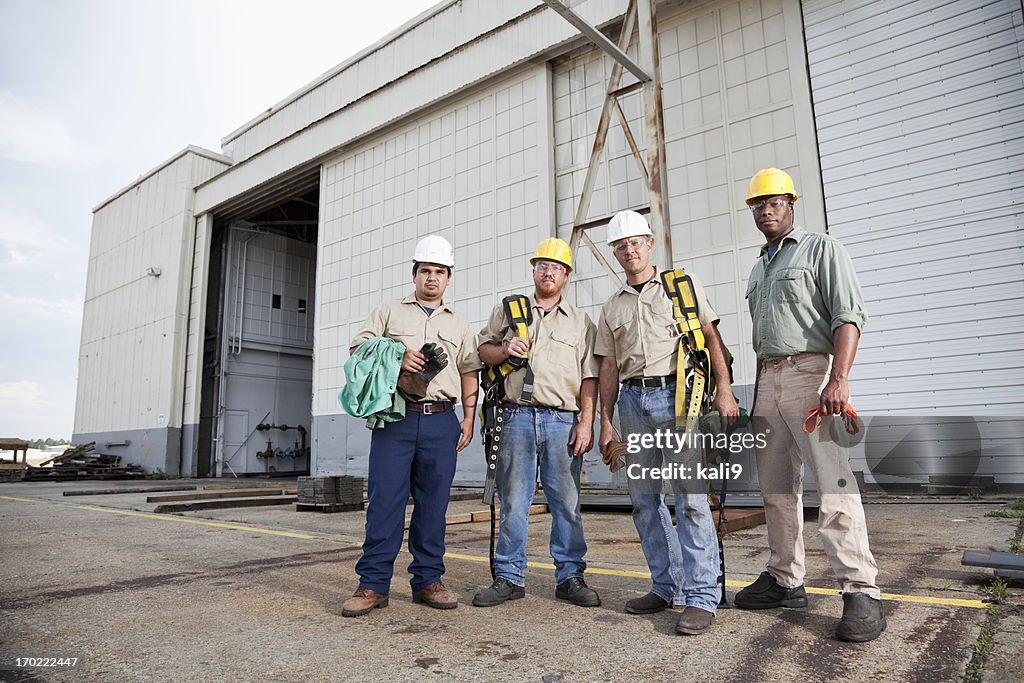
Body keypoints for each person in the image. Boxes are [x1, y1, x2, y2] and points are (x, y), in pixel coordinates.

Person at [735, 167, 885, 642]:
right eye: (758, 204)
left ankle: (861, 590)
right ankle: (785, 579)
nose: (766, 210)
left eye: (774, 202)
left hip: (813, 375)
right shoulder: (760, 266)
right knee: (777, 489)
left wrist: (838, 379)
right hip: (768, 377)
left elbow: (848, 315)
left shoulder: (821, 248)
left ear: (791, 203)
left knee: (834, 484)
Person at [595, 210, 739, 636]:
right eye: (620, 246)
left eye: (635, 243)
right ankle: (666, 585)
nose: (629, 251)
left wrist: (725, 390)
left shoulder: (681, 286)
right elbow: (607, 367)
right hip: (632, 401)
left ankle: (700, 596)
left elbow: (711, 338)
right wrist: (606, 420)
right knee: (644, 501)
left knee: (690, 499)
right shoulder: (612, 305)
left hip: (678, 398)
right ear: (614, 253)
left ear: (650, 244)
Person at [341, 235, 481, 617]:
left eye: (439, 272)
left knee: (433, 506)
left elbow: (470, 370)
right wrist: (397, 355)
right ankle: (372, 585)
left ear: (448, 277)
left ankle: (428, 580)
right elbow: (357, 350)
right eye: (425, 271)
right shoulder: (389, 312)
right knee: (385, 503)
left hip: (442, 421)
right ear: (414, 274)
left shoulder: (460, 323)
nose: (431, 278)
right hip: (396, 419)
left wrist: (469, 418)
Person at [472, 238, 601, 608]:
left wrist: (586, 422)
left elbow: (589, 377)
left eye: (556, 267)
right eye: (542, 265)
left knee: (567, 502)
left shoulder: (580, 322)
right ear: (533, 269)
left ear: (566, 276)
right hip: (515, 418)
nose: (548, 272)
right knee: (514, 500)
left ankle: (570, 577)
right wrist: (504, 350)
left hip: (563, 420)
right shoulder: (508, 309)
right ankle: (509, 577)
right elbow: (483, 352)